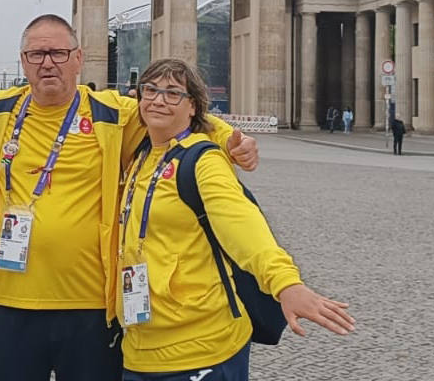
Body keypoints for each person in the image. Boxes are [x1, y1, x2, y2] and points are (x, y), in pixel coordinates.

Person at [0, 14, 259, 381]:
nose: (48, 62)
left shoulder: (111, 112)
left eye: (59, 53)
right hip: (12, 304)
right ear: (24, 61)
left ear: (79, 58)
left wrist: (231, 141)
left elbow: (178, 112)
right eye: (37, 53)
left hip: (90, 306)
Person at [118, 59, 354, 380]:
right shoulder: (138, 156)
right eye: (151, 90)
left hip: (201, 346)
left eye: (173, 93)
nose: (159, 100)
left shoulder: (203, 161)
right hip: (140, 347)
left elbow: (243, 227)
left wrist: (286, 284)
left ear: (193, 108)